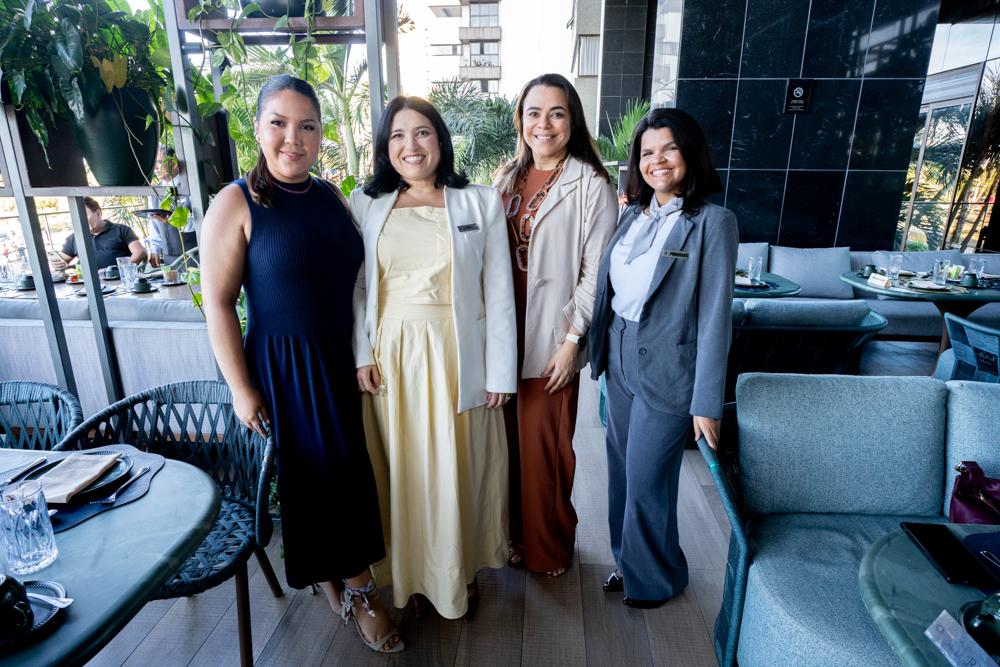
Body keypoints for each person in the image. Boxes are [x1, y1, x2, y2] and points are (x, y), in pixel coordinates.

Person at [200, 75, 402, 653]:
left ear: (320, 134)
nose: (293, 137)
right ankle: (362, 591)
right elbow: (218, 302)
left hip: (339, 358)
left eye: (307, 126)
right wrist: (240, 387)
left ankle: (330, 575)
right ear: (258, 128)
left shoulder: (331, 194)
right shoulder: (236, 201)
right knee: (326, 476)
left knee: (339, 476)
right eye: (279, 123)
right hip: (285, 368)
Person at [351, 95, 516, 621]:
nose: (411, 145)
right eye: (398, 135)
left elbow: (499, 290)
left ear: (440, 140)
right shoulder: (365, 203)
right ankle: (412, 574)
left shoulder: (479, 201)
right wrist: (361, 354)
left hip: (456, 353)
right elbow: (358, 288)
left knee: (459, 467)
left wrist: (500, 371)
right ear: (385, 146)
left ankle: (457, 573)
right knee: (405, 470)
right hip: (391, 357)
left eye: (422, 132)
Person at [589, 108, 738, 608]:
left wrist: (707, 402)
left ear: (689, 153)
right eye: (647, 152)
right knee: (620, 472)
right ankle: (627, 563)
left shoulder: (713, 222)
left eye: (669, 148)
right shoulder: (632, 215)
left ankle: (656, 580)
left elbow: (715, 316)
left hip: (672, 368)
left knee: (647, 479)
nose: (657, 160)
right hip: (620, 355)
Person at [493, 73, 618, 578]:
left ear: (573, 121)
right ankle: (513, 538)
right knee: (506, 448)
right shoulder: (506, 178)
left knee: (545, 448)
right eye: (533, 113)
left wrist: (572, 341)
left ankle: (548, 547)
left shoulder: (591, 184)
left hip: (551, 335)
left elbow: (596, 272)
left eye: (557, 113)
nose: (543, 124)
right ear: (520, 121)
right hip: (504, 334)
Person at [53, 197, 147, 269]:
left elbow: (140, 252)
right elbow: (62, 261)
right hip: (86, 283)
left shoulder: (121, 230)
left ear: (98, 213)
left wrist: (118, 270)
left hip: (116, 280)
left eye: (84, 216)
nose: (81, 221)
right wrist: (57, 264)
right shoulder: (74, 237)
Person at [147, 145, 197, 268]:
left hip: (195, 254)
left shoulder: (190, 187)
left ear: (174, 163)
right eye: (154, 163)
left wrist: (174, 220)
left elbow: (201, 221)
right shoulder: (154, 192)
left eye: (159, 162)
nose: (156, 167)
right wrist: (154, 250)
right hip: (169, 257)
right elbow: (154, 226)